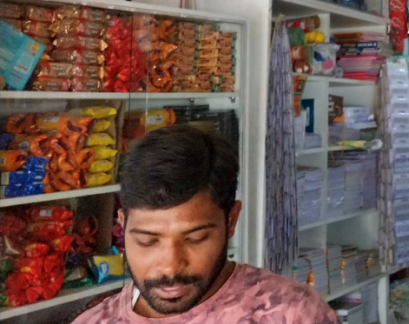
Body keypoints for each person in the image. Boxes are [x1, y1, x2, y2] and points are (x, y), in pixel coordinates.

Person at [73, 124, 337, 324]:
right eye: (147, 241)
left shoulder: (292, 314)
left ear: (231, 220)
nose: (170, 265)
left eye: (195, 238)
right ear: (122, 224)